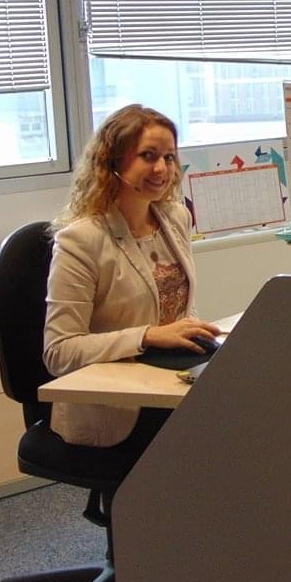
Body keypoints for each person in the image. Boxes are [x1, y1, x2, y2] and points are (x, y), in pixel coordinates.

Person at [44, 104, 220, 449]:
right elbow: (59, 351)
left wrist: (195, 333)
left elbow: (176, 310)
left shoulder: (175, 218)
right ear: (113, 163)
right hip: (116, 408)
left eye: (169, 157)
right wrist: (148, 336)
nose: (161, 168)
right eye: (148, 155)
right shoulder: (82, 240)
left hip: (169, 386)